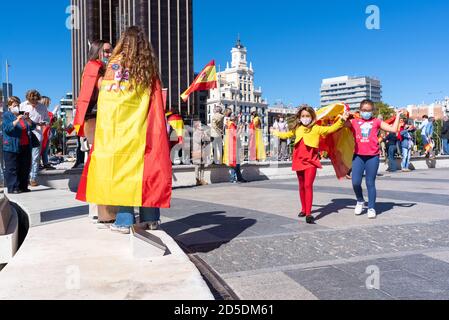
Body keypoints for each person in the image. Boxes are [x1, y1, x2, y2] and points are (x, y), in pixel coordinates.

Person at [76, 26, 172, 234]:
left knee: (123, 173)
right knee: (147, 171)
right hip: (143, 129)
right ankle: (151, 218)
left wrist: (97, 76)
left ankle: (125, 220)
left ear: (123, 43)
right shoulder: (148, 68)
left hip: (119, 131)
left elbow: (106, 93)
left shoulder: (115, 65)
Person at [273, 105, 349, 224]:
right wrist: (275, 132)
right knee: (301, 186)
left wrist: (342, 119)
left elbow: (331, 129)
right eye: (303, 116)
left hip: (311, 162)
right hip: (298, 160)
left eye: (307, 116)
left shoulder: (317, 128)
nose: (305, 118)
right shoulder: (297, 128)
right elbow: (286, 135)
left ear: (312, 117)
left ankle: (308, 214)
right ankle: (303, 209)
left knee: (308, 185)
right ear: (299, 117)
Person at [73, 39, 114, 224]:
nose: (109, 54)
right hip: (95, 119)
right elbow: (103, 88)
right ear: (97, 51)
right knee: (100, 161)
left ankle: (100, 209)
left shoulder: (101, 68)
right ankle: (102, 210)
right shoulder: (93, 66)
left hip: (100, 118)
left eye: (111, 51)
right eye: (106, 51)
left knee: (99, 161)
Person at [347, 100, 402, 219]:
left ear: (372, 111)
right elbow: (341, 125)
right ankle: (360, 200)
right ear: (360, 110)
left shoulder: (376, 121)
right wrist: (344, 117)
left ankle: (371, 207)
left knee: (370, 182)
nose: (366, 112)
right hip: (358, 156)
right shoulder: (354, 122)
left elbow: (393, 129)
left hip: (372, 156)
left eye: (369, 110)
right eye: (364, 110)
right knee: (355, 182)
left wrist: (397, 115)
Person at [2, 97, 34, 194]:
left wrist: (28, 119)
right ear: (9, 106)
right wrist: (17, 120)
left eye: (18, 105)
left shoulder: (22, 115)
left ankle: (23, 186)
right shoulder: (7, 115)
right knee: (12, 167)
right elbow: (7, 129)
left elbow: (33, 126)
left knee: (24, 167)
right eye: (14, 105)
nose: (16, 107)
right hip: (11, 145)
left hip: (25, 144)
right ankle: (13, 188)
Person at [19, 90, 50, 187]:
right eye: (32, 102)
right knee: (25, 157)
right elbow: (20, 119)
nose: (34, 104)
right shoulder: (22, 105)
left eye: (35, 102)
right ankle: (25, 177)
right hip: (25, 134)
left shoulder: (42, 107)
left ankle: (33, 178)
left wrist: (43, 123)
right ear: (28, 99)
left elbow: (47, 120)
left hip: (37, 134)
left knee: (35, 158)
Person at [223, 114, 248, 184]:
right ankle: (232, 178)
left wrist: (239, 127)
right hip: (233, 145)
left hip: (231, 145)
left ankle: (239, 177)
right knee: (234, 163)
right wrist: (241, 128)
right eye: (237, 121)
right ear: (235, 120)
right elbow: (236, 136)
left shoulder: (229, 124)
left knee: (237, 163)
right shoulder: (232, 125)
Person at [39, 96, 56, 170]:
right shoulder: (40, 111)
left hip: (46, 133)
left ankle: (45, 163)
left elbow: (50, 122)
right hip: (41, 133)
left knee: (45, 150)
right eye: (48, 102)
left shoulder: (47, 112)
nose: (49, 104)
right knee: (40, 150)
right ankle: (38, 164)